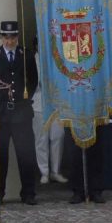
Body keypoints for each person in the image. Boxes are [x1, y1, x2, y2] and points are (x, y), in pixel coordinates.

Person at [0, 20, 40, 205]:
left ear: (17, 37)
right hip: (0, 112)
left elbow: (33, 80)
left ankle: (29, 193)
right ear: (1, 37)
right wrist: (0, 99)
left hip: (21, 112)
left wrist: (22, 99)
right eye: (6, 37)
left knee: (26, 154)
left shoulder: (26, 55)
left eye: (13, 37)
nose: (9, 41)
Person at [30, 37, 66, 185]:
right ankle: (44, 172)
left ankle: (55, 171)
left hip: (57, 103)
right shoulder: (31, 61)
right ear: (37, 45)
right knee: (41, 139)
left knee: (58, 136)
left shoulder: (57, 60)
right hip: (38, 103)